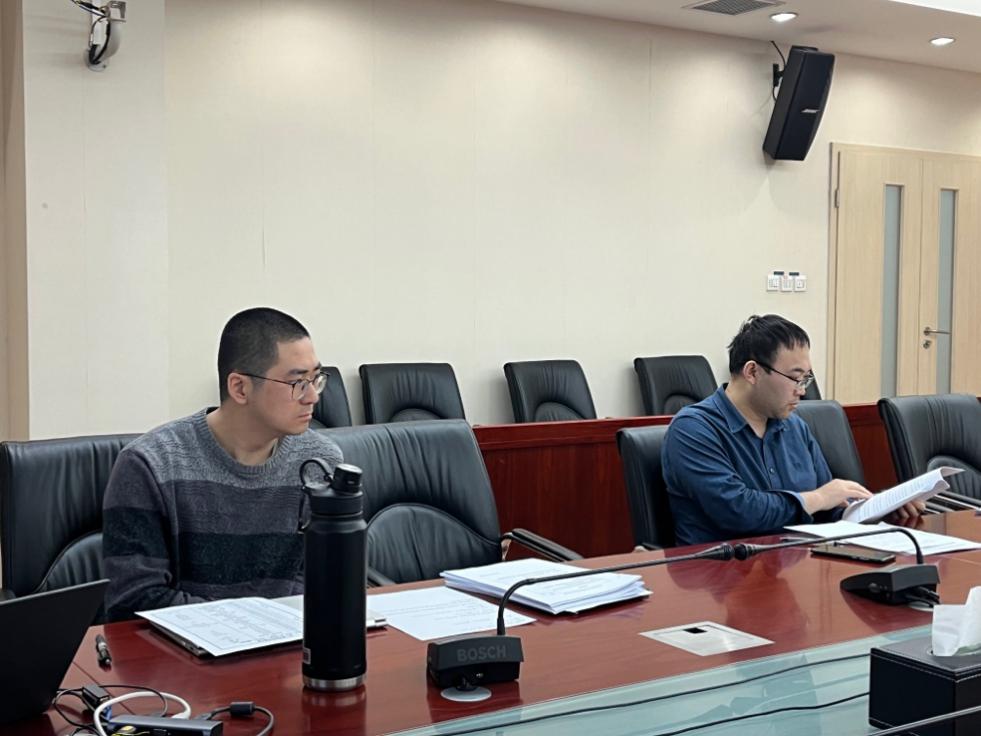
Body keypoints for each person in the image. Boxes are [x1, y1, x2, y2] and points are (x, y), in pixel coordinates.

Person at [103, 307, 343, 621]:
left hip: (292, 642)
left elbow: (332, 579)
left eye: (316, 379)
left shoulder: (320, 463)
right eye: (298, 382)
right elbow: (134, 602)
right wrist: (253, 623)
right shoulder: (150, 465)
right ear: (240, 388)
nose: (312, 396)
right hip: (181, 647)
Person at [662, 314, 922, 546]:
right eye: (796, 378)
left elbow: (827, 507)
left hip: (794, 567)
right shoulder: (693, 429)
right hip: (720, 573)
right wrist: (818, 498)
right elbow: (738, 511)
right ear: (752, 372)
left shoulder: (795, 427)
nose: (802, 390)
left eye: (807, 378)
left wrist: (877, 507)